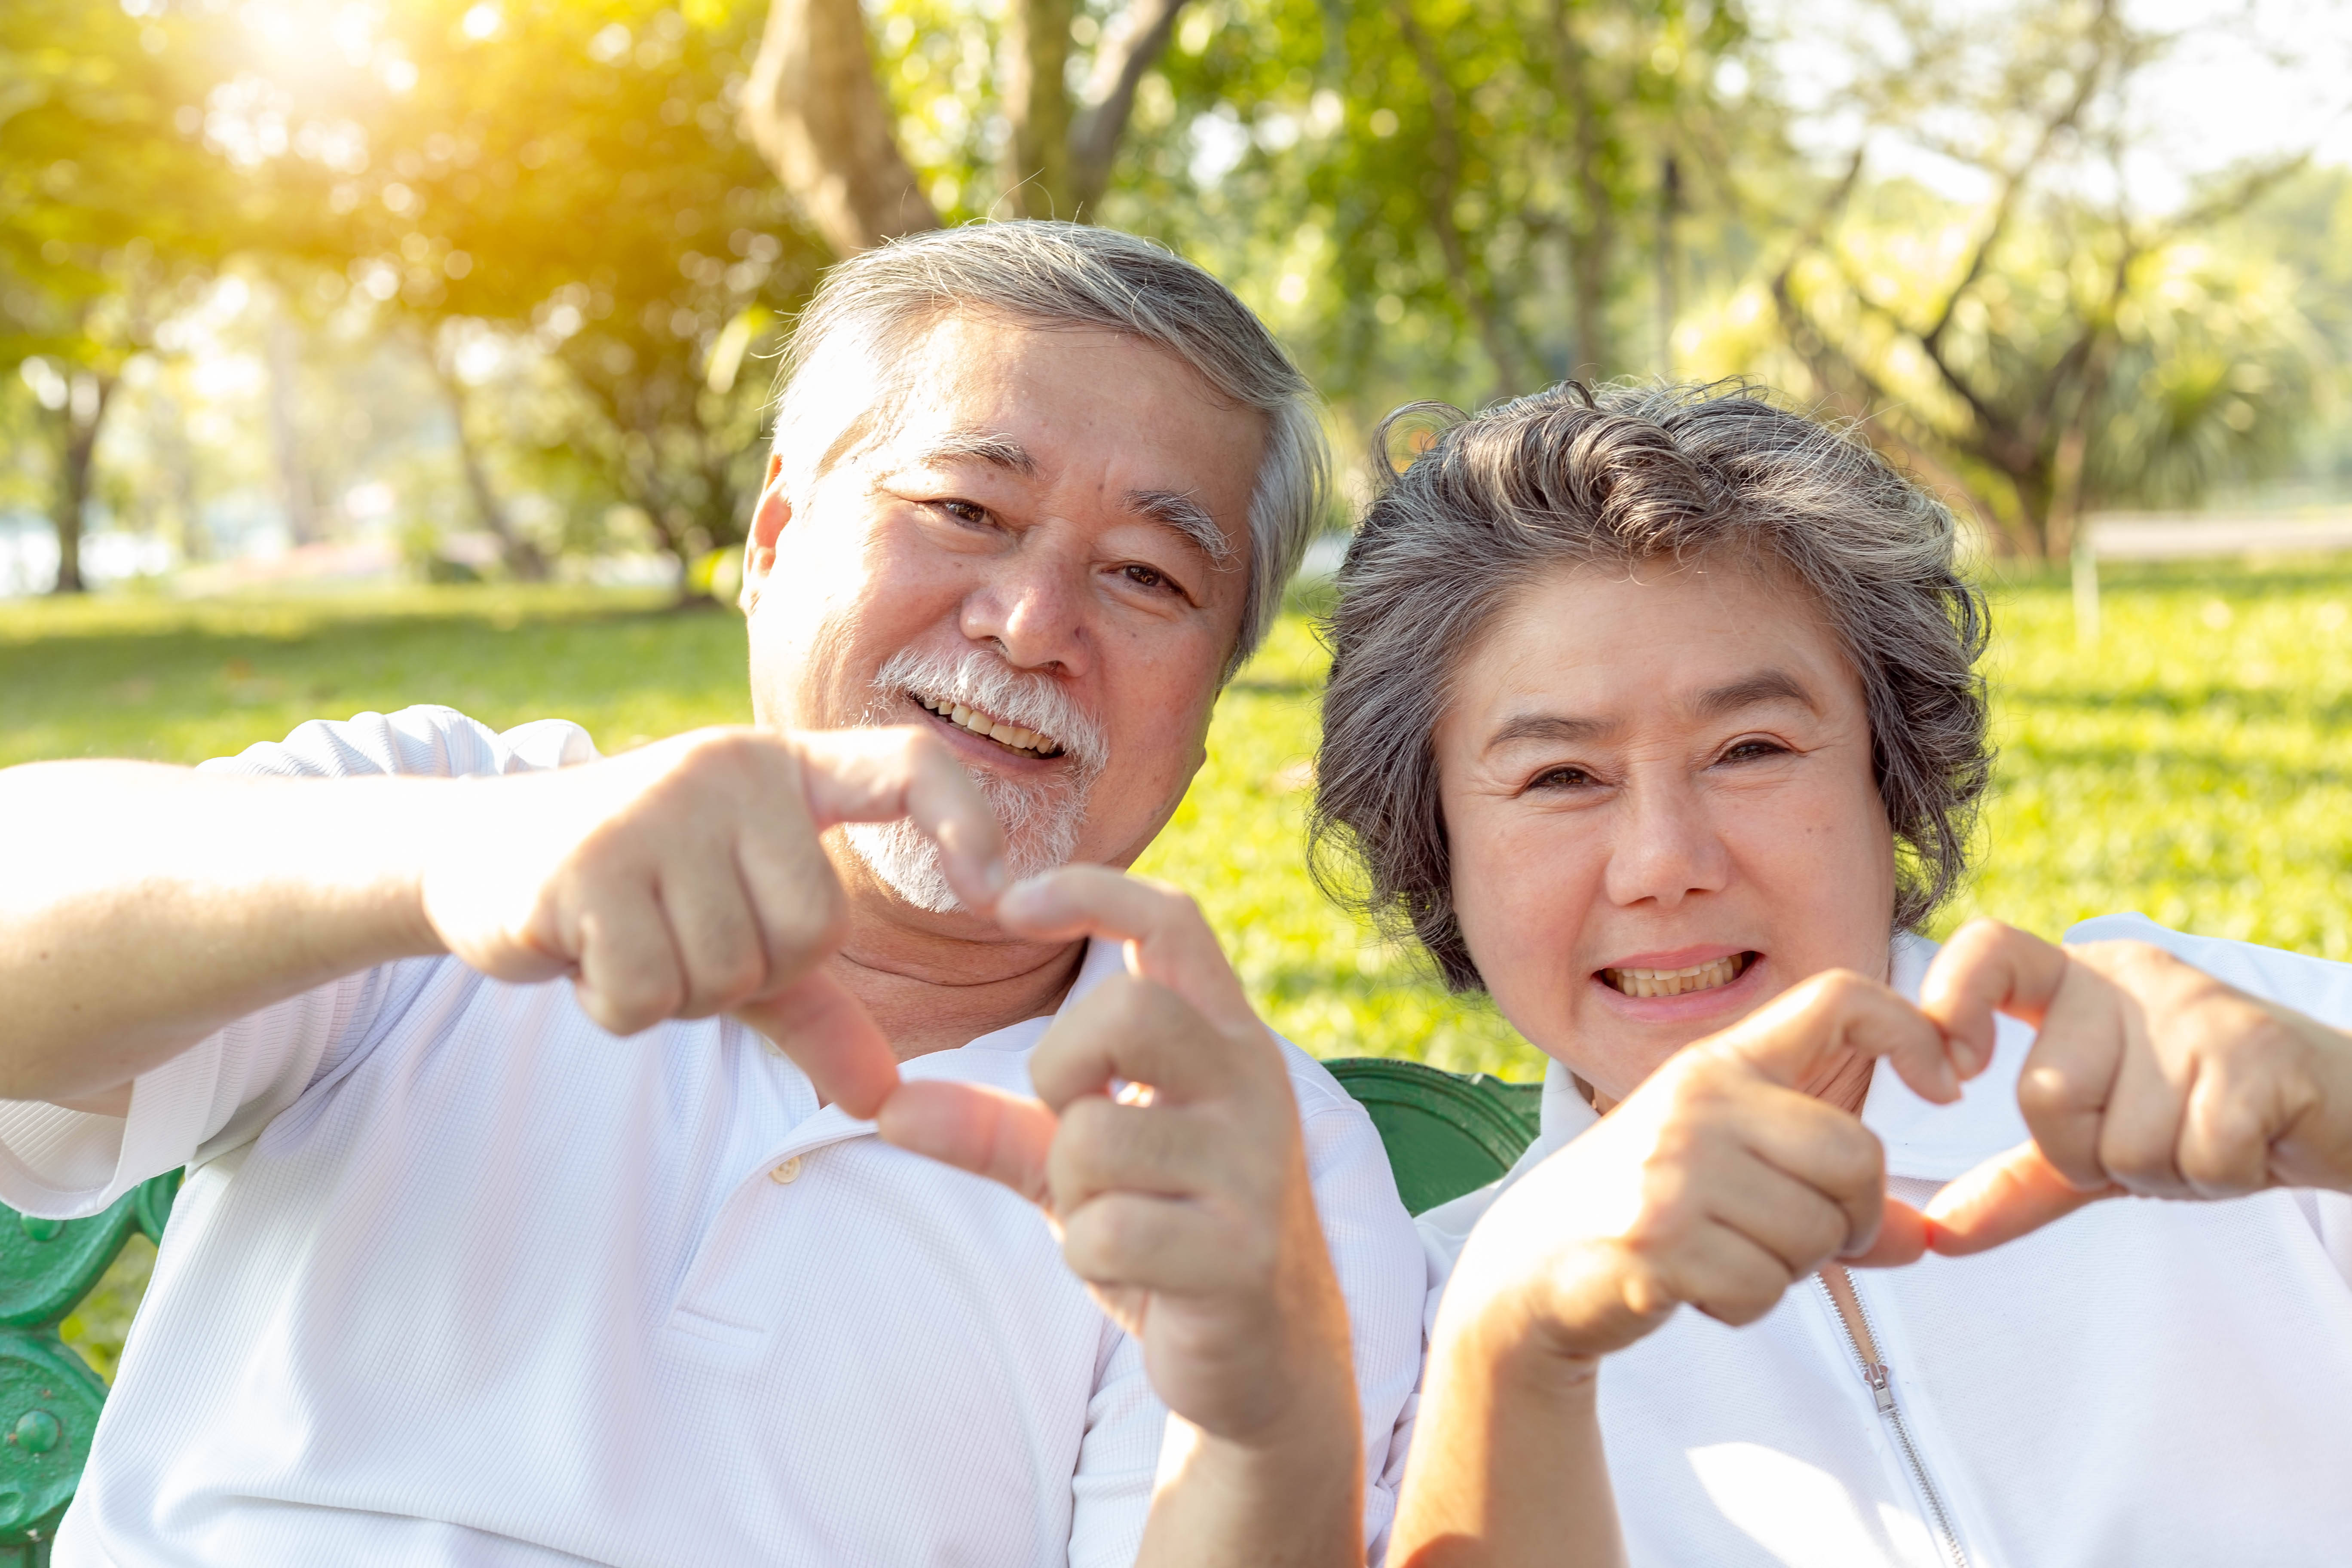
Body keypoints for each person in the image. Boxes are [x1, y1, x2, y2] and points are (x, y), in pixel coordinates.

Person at [0, 222, 1425, 1568]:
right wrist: (439, 867)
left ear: (1216, 690)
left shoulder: (1252, 1151)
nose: (1034, 623)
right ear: (773, 540)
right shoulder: (438, 815)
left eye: (1143, 574)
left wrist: (1265, 1400)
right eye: (965, 508)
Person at [1308, 381, 2352, 1567]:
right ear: (1434, 838)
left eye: (1752, 750)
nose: (1665, 864)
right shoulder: (1421, 1340)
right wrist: (1512, 1347)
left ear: (1890, 769)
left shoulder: (2245, 1052)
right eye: (1560, 777)